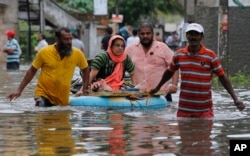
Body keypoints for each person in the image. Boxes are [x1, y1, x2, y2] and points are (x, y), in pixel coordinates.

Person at [150, 23, 245, 117]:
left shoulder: (210, 56)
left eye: (196, 34)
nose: (193, 37)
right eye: (190, 34)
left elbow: (222, 77)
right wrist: (158, 87)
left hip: (204, 111)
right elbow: (169, 72)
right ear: (186, 36)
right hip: (184, 110)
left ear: (201, 36)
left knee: (203, 132)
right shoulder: (179, 55)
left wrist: (235, 98)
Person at [6, 27, 90, 107]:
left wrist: (84, 88)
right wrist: (19, 90)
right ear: (57, 39)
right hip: (43, 94)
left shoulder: (77, 53)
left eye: (70, 39)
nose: (69, 42)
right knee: (42, 112)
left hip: (62, 98)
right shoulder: (44, 52)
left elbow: (86, 69)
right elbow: (31, 71)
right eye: (65, 39)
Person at [126, 23, 179, 102]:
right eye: (142, 34)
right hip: (139, 96)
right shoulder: (130, 49)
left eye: (148, 33)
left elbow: (175, 66)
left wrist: (174, 85)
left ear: (152, 34)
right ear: (138, 35)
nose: (145, 36)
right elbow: (119, 62)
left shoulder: (163, 48)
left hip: (162, 95)